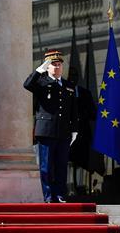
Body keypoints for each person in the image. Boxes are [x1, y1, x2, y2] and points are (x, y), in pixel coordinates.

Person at [23, 50, 79, 203]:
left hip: (64, 131)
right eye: (53, 65)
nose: (57, 67)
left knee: (61, 165)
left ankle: (60, 194)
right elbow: (27, 84)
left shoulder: (69, 86)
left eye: (59, 64)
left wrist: (74, 129)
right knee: (46, 167)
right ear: (47, 67)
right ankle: (48, 196)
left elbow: (73, 109)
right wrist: (39, 70)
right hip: (46, 131)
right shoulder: (41, 83)